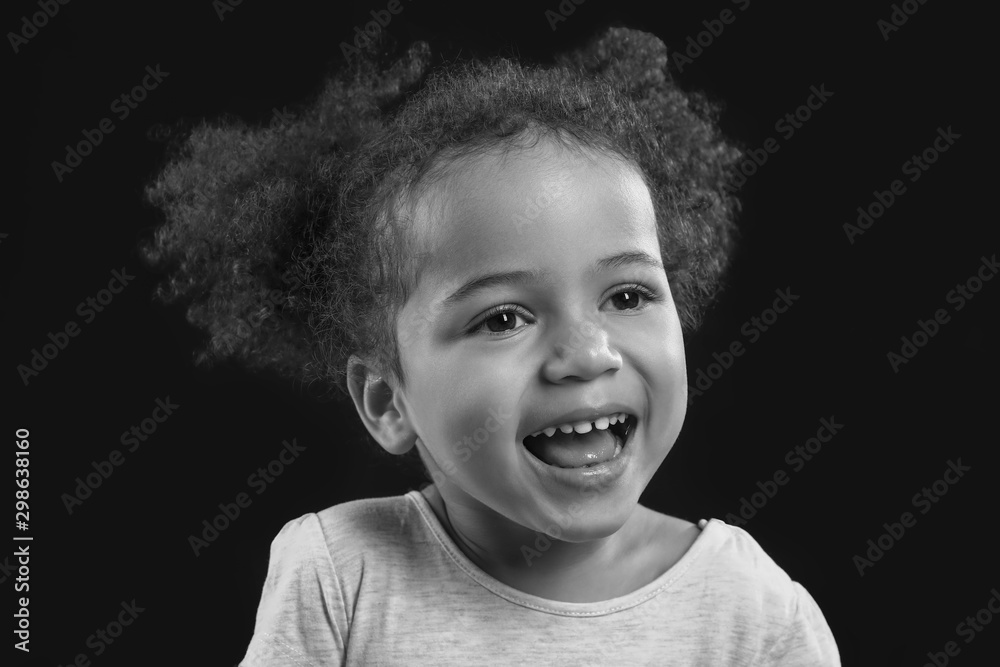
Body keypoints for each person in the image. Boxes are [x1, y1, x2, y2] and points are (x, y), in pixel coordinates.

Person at [143, 26, 840, 665]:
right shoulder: (342, 575)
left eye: (626, 296)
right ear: (389, 401)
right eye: (504, 318)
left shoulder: (753, 613)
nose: (588, 354)